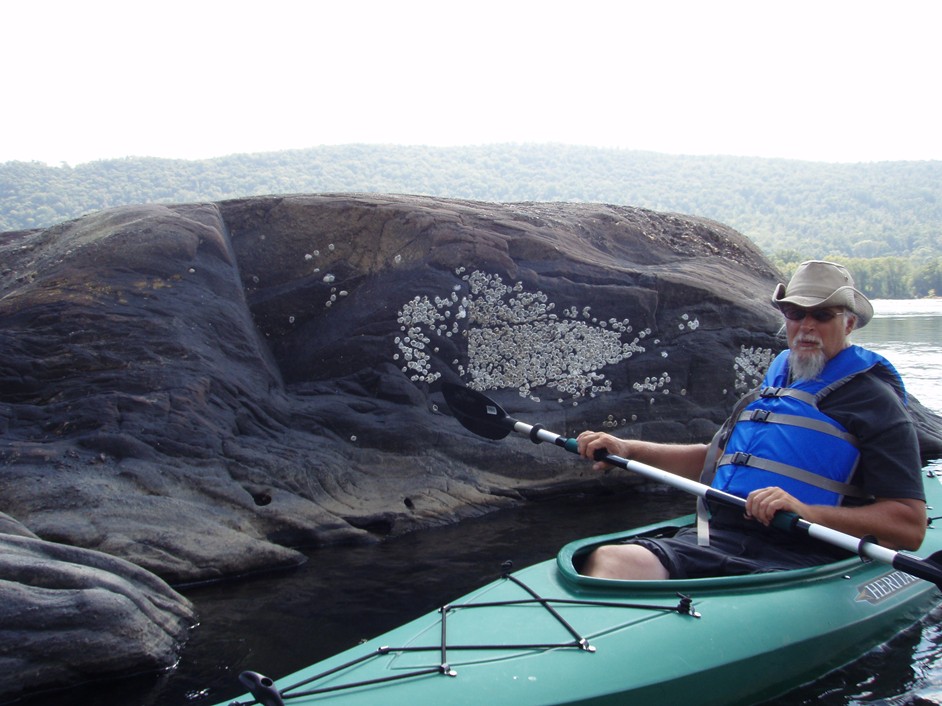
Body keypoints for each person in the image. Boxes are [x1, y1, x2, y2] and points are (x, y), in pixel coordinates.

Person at [577, 260, 926, 580]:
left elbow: (909, 526)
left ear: (848, 322)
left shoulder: (876, 403)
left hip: (804, 558)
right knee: (607, 561)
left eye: (822, 315)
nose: (806, 326)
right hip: (716, 539)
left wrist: (807, 511)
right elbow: (713, 459)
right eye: (794, 312)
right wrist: (628, 449)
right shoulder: (777, 385)